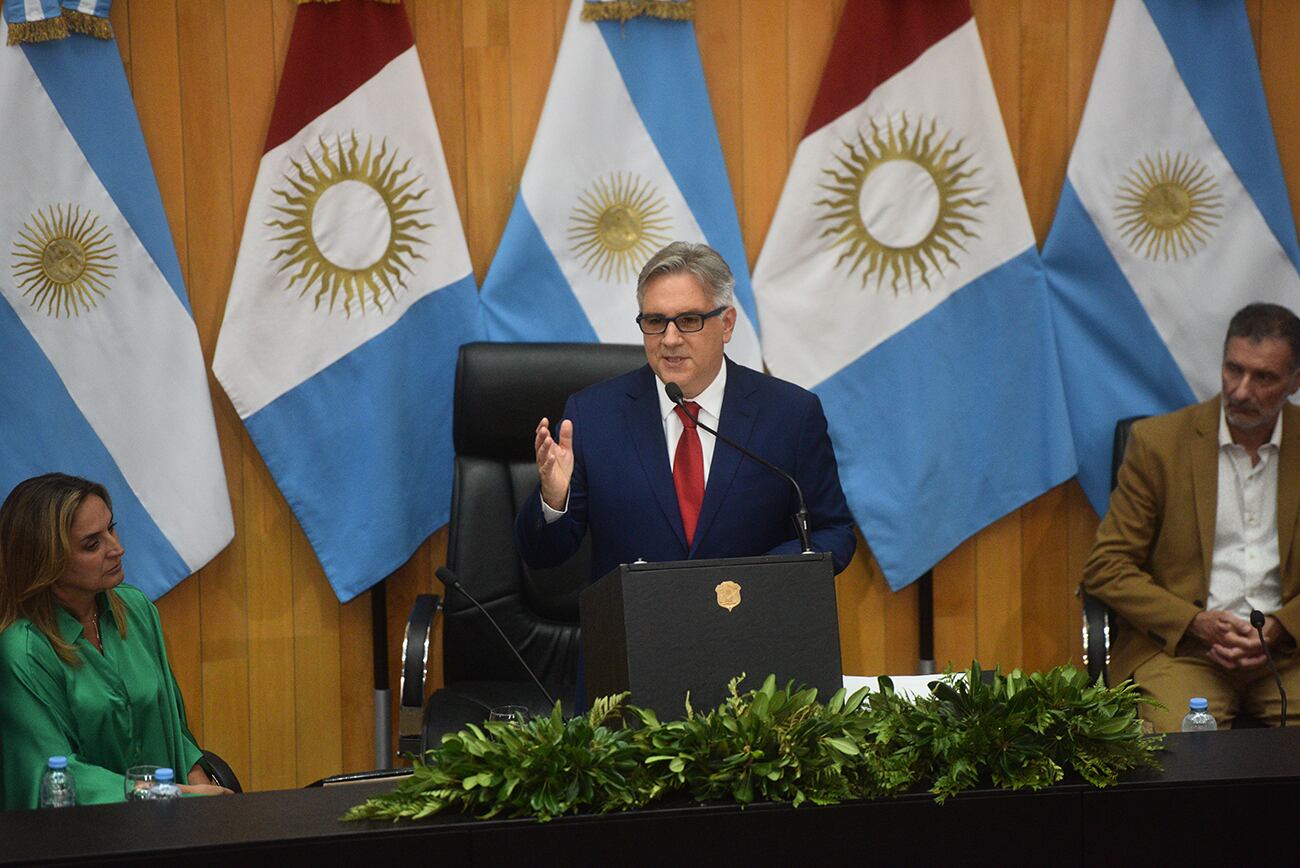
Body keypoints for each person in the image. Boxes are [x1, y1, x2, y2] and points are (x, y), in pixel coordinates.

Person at [516, 241, 856, 583]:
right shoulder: (592, 417)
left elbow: (833, 532)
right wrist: (554, 501)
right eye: (655, 321)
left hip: (750, 627)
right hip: (637, 629)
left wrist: (758, 576)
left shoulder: (790, 415)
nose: (670, 339)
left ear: (726, 324)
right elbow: (542, 555)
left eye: (689, 320)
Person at [1084, 303, 1300, 731]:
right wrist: (1196, 623)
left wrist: (1281, 627)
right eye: (1233, 369)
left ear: (1295, 381)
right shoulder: (1159, 445)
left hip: (1290, 653)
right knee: (1179, 753)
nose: (1240, 390)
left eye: (1263, 378)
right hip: (1182, 652)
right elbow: (1106, 568)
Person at [0, 473, 232, 809]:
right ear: (47, 560)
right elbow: (53, 778)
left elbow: (172, 727)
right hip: (80, 840)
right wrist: (175, 794)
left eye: (112, 528)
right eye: (92, 544)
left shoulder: (135, 609)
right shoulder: (22, 649)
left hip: (169, 823)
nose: (117, 548)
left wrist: (201, 784)